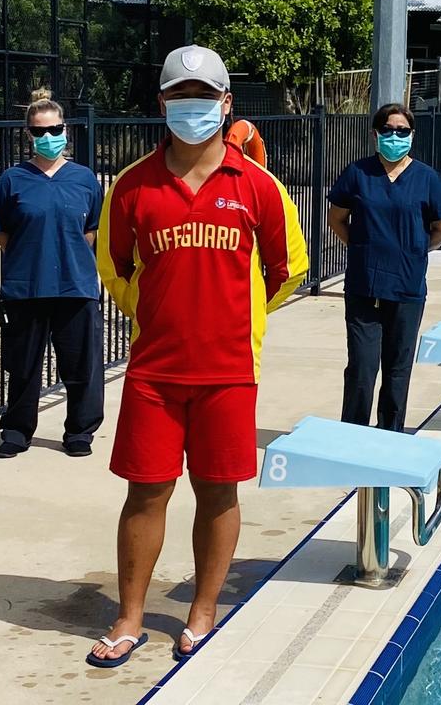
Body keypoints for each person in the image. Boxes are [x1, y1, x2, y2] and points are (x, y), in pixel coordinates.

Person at [88, 45, 309, 668]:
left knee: (218, 493)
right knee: (145, 492)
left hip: (230, 371)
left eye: (205, 96)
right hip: (155, 372)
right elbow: (115, 267)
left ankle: (202, 613)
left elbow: (287, 268)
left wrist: (235, 315)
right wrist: (160, 313)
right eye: (181, 96)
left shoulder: (259, 187)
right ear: (162, 103)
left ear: (226, 103)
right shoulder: (131, 187)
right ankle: (130, 616)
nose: (193, 107)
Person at [0, 92, 105, 459]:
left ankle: (80, 431)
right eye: (40, 131)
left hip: (75, 284)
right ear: (29, 135)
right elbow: (2, 231)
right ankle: (18, 430)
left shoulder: (84, 180)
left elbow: (90, 231)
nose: (48, 136)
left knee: (82, 365)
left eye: (55, 129)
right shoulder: (12, 180)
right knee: (23, 365)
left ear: (65, 129)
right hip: (27, 286)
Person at [326, 104, 441, 433]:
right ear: (375, 134)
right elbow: (337, 219)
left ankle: (390, 437)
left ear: (412, 135)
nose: (394, 136)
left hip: (406, 287)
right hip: (363, 287)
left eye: (402, 131)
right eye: (388, 130)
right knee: (362, 366)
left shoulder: (426, 178)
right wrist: (361, 247)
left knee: (398, 368)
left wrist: (414, 250)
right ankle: (352, 436)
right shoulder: (358, 173)